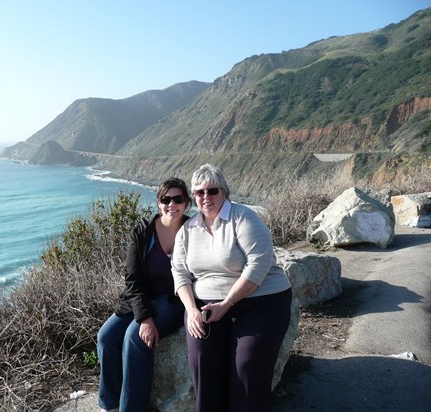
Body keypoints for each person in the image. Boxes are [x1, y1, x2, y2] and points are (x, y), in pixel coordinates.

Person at [172, 164, 292, 412]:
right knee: (202, 359)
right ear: (193, 197)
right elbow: (179, 271)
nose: (206, 198)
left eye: (212, 190)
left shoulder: (243, 217)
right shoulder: (188, 229)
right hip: (207, 306)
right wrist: (192, 310)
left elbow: (259, 264)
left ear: (224, 192)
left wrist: (226, 304)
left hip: (261, 301)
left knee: (246, 363)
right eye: (199, 192)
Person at [97, 177, 192, 412]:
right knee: (106, 338)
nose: (172, 204)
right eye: (165, 199)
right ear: (158, 203)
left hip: (175, 299)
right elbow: (133, 278)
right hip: (141, 298)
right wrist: (145, 317)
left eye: (178, 199)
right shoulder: (143, 232)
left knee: (135, 336)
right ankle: (110, 404)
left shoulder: (194, 231)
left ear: (187, 203)